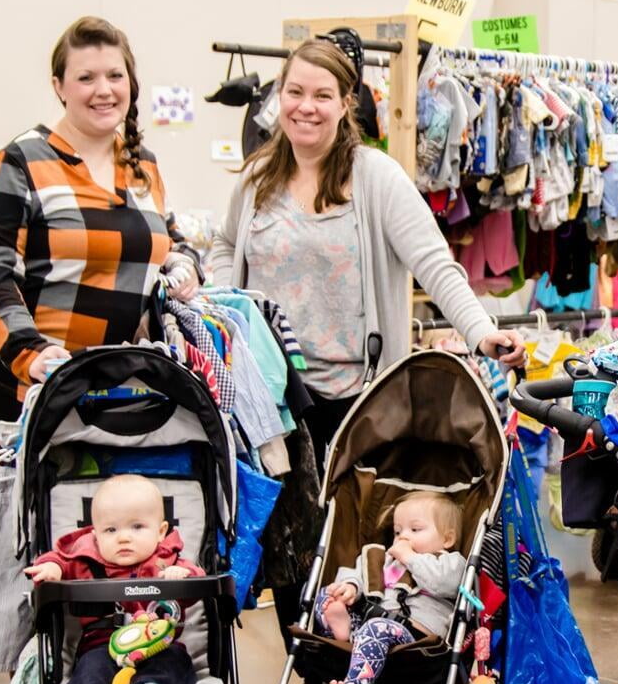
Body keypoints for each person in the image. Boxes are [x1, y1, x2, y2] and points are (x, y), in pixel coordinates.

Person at [206, 38, 526, 466]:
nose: (306, 107)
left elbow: (433, 263)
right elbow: (225, 244)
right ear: (279, 97)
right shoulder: (257, 179)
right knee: (279, 528)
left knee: (352, 528)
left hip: (356, 398)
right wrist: (228, 310)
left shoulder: (376, 178)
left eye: (322, 96)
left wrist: (481, 331)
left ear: (344, 105)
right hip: (269, 396)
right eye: (295, 92)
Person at [0, 16, 202, 424]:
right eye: (86, 78)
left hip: (111, 382)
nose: (104, 90)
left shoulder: (142, 164)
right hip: (28, 381)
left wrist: (186, 264)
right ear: (59, 86)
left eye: (115, 75)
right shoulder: (20, 161)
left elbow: (168, 238)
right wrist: (29, 350)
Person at [25, 475, 201, 684]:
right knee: (85, 683)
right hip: (102, 649)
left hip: (157, 646)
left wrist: (181, 577)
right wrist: (54, 567)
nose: (123, 537)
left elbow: (195, 577)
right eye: (110, 529)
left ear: (160, 532)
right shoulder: (83, 559)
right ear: (95, 534)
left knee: (179, 662)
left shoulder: (167, 562)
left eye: (136, 527)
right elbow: (61, 559)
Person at [314, 491, 466, 684]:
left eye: (415, 530)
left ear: (447, 539)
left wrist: (410, 559)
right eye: (397, 531)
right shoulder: (385, 560)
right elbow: (360, 572)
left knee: (377, 627)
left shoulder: (450, 562)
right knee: (327, 595)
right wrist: (351, 587)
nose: (403, 537)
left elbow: (445, 584)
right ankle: (341, 628)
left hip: (415, 637)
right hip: (369, 628)